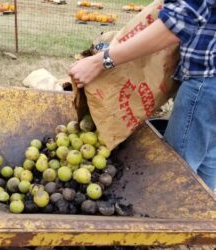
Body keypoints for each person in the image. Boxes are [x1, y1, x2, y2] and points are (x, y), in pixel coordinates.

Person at [68, 0, 216, 190]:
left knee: (173, 173)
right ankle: (206, 217)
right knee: (208, 161)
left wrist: (100, 61)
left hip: (206, 82)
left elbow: (175, 24)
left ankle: (172, 217)